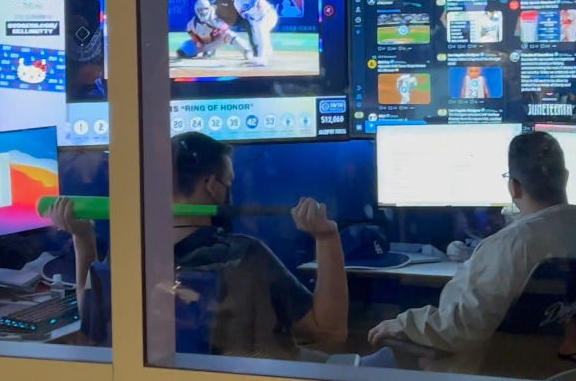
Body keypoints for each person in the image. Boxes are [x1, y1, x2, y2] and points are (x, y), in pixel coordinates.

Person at [41, 132, 348, 356]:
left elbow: (91, 315)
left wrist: (83, 239)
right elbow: (329, 332)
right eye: (229, 182)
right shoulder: (242, 256)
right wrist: (327, 237)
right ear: (212, 187)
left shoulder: (126, 256)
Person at [367, 130, 576, 372]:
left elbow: (459, 328)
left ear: (514, 187)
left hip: (481, 378)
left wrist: (402, 324)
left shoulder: (512, 245)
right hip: (541, 368)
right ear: (565, 178)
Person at [224, 0, 279, 67]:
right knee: (258, 38)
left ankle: (263, 59)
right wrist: (249, 11)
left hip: (268, 15)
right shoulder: (237, 1)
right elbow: (244, 15)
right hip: (255, 20)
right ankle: (266, 54)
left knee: (262, 33)